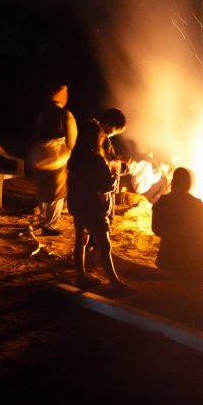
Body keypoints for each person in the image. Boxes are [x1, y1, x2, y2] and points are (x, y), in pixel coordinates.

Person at [67, 109, 129, 290]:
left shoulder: (80, 153)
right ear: (109, 126)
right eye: (114, 131)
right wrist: (118, 170)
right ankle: (114, 282)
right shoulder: (96, 156)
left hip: (77, 201)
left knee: (81, 240)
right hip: (93, 205)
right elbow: (106, 183)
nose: (112, 135)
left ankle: (81, 277)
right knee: (105, 244)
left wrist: (118, 166)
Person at [28, 83, 77, 236]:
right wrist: (68, 153)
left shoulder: (41, 114)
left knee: (43, 191)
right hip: (56, 158)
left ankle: (44, 221)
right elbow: (72, 140)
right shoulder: (65, 114)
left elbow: (34, 136)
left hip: (37, 156)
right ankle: (50, 226)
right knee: (57, 193)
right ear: (63, 97)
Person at [150, 167, 203, 280]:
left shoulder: (163, 202)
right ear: (188, 184)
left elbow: (156, 229)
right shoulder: (197, 205)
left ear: (173, 182)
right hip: (191, 262)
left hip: (167, 260)